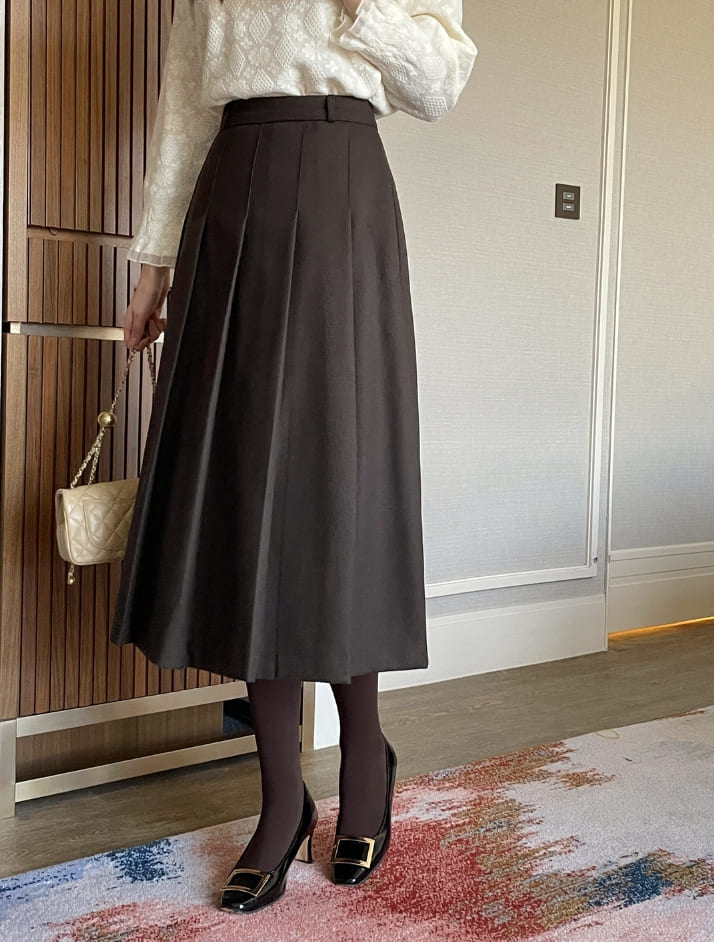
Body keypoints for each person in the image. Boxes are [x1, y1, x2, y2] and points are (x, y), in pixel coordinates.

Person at [110, 0, 477, 915]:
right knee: (246, 495)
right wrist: (154, 264)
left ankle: (363, 761)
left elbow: (438, 83)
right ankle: (282, 798)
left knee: (336, 488)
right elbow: (185, 104)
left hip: (343, 192)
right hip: (230, 198)